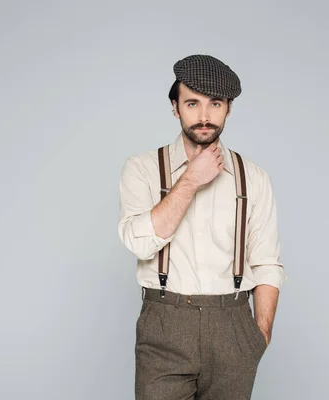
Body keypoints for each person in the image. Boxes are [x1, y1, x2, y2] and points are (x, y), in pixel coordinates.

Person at [117, 54, 286, 400]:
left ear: (229, 109)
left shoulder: (252, 178)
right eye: (192, 103)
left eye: (216, 103)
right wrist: (191, 179)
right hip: (165, 321)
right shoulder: (143, 169)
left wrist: (260, 334)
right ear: (175, 107)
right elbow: (139, 242)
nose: (205, 116)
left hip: (233, 324)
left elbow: (266, 262)